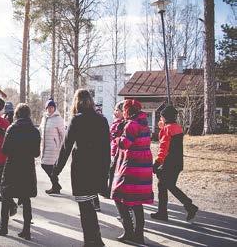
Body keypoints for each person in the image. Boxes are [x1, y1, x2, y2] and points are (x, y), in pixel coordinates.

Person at [53, 89, 110, 247]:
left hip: (81, 169)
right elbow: (106, 149)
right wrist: (105, 174)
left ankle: (92, 241)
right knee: (89, 206)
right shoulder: (102, 120)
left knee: (85, 208)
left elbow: (66, 147)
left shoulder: (76, 120)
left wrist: (56, 170)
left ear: (76, 102)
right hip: (97, 168)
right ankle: (95, 239)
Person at [0, 103, 41, 240]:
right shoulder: (35, 131)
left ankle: (4, 226)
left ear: (17, 114)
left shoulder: (12, 128)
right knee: (26, 199)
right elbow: (36, 153)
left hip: (12, 167)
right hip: (27, 168)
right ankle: (26, 231)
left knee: (6, 195)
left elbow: (4, 150)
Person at [111, 99, 153, 244]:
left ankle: (129, 231)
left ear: (128, 111)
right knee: (136, 201)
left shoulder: (131, 125)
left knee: (118, 196)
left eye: (124, 109)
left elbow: (124, 143)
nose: (122, 112)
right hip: (143, 166)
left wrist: (116, 136)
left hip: (132, 165)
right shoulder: (144, 124)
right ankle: (138, 234)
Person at [151, 105, 199, 221]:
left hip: (168, 163)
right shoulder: (177, 127)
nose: (160, 119)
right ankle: (186, 206)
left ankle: (185, 206)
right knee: (167, 185)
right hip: (177, 163)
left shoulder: (167, 129)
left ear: (165, 117)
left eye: (161, 117)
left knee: (164, 185)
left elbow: (164, 148)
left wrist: (157, 162)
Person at [39, 98, 65, 194]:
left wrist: (62, 148)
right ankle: (56, 186)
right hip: (45, 146)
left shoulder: (58, 119)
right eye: (48, 107)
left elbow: (63, 134)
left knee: (48, 166)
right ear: (46, 108)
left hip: (54, 148)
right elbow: (41, 130)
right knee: (45, 165)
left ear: (54, 108)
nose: (50, 109)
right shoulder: (44, 118)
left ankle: (56, 185)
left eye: (52, 107)